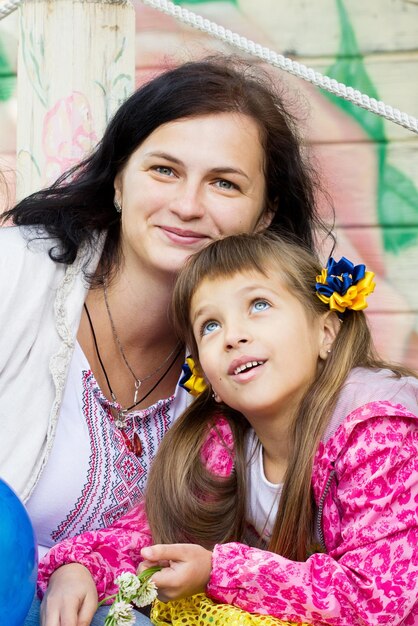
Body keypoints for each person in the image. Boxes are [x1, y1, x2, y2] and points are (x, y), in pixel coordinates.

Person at [0, 57, 329, 625]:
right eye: (164, 171)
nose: (188, 205)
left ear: (265, 214)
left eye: (224, 183)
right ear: (119, 180)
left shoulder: (262, 358)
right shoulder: (15, 274)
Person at [38, 232, 418, 625]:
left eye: (259, 304)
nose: (233, 336)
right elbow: (152, 537)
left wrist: (217, 571)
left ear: (325, 333)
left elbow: (375, 598)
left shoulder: (377, 432)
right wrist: (80, 568)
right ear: (207, 377)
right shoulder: (227, 439)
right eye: (210, 325)